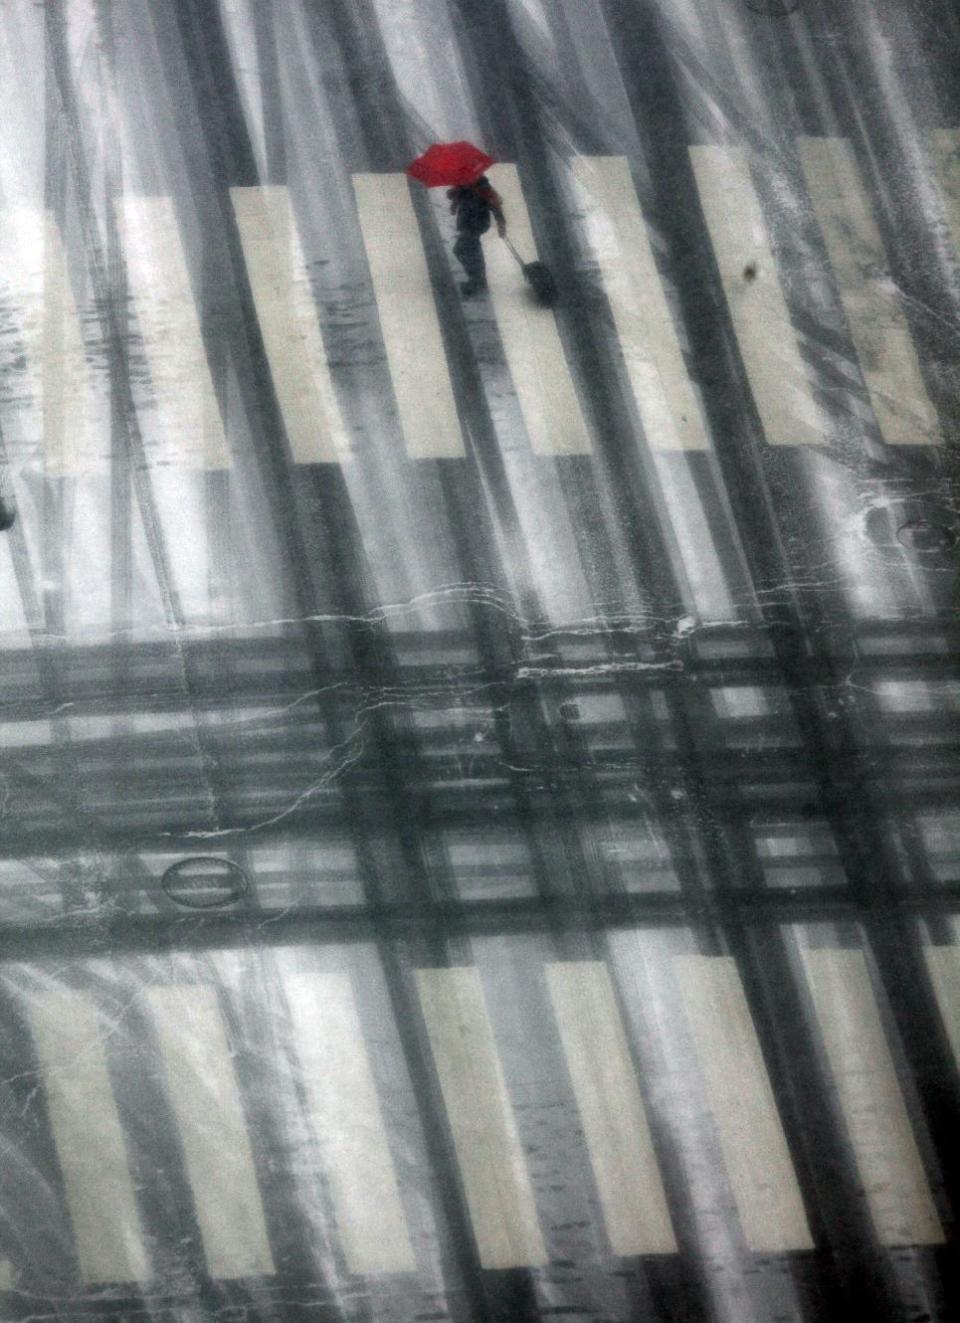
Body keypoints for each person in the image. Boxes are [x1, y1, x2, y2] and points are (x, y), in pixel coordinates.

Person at [446, 175, 506, 297]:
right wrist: (455, 194)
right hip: (467, 224)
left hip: (476, 224)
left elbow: (495, 205)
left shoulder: (483, 186)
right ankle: (478, 279)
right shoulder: (463, 185)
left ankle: (476, 280)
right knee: (472, 250)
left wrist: (501, 224)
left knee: (460, 250)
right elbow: (452, 196)